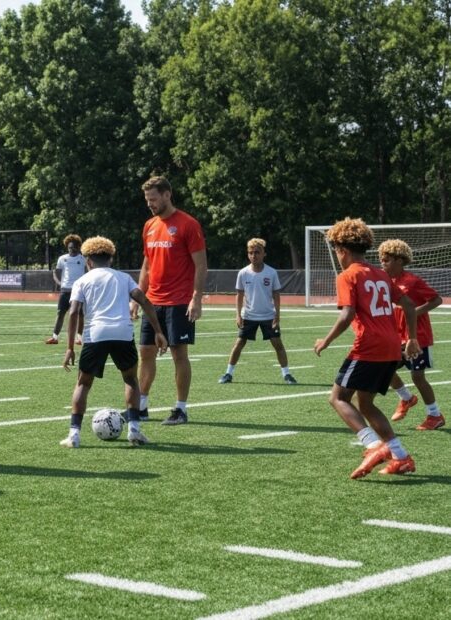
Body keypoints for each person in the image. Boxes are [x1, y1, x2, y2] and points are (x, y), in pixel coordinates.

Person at [314, 218, 420, 479]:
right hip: (392, 346)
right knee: (367, 404)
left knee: (337, 398)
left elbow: (347, 314)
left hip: (369, 346)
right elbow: (407, 304)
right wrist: (413, 338)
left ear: (342, 250)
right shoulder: (381, 274)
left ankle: (373, 446)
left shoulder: (348, 275)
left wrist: (325, 341)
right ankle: (401, 457)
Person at [60, 237, 167, 448]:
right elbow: (144, 300)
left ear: (88, 260)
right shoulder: (123, 277)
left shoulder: (82, 281)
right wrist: (158, 331)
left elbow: (73, 312)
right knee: (130, 380)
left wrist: (70, 347)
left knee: (83, 383)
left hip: (95, 334)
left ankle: (74, 435)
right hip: (123, 333)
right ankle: (134, 430)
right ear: (110, 258)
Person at [131, 176, 207, 425]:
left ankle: (180, 409)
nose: (150, 204)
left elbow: (200, 265)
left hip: (179, 301)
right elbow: (146, 264)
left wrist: (196, 298)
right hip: (152, 301)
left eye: (153, 199)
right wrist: (137, 298)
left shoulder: (188, 224)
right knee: (146, 353)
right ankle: (141, 407)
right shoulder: (149, 226)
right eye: (147, 200)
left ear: (167, 195)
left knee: (179, 354)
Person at [378, 239, 445, 430]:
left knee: (417, 376)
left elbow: (436, 299)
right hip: (396, 336)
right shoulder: (385, 282)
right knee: (384, 368)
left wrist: (414, 312)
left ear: (400, 260)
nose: (383, 263)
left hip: (418, 337)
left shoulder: (412, 281)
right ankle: (406, 398)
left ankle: (434, 415)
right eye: (382, 260)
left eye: (387, 260)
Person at [218, 238, 297, 385]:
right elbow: (239, 295)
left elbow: (276, 295)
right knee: (239, 344)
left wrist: (277, 315)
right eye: (251, 253)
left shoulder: (271, 273)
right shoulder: (243, 273)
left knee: (278, 345)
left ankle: (287, 374)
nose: (254, 255)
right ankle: (228, 373)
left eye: (257, 252)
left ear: (264, 254)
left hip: (268, 316)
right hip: (248, 315)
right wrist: (237, 314)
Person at [46, 234, 87, 345]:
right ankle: (55, 337)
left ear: (79, 247)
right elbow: (55, 272)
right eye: (69, 247)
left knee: (81, 314)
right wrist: (59, 283)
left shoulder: (83, 259)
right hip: (65, 291)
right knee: (60, 313)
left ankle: (79, 338)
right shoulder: (62, 259)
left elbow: (88, 273)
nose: (71, 250)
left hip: (79, 291)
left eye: (74, 247)